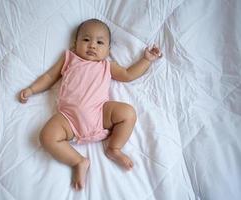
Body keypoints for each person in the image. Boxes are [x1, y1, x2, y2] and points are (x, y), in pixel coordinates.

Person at [18, 18, 162, 191]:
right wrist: (32, 89)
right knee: (46, 137)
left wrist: (146, 60)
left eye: (100, 42)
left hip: (100, 114)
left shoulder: (106, 65)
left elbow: (128, 74)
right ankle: (78, 161)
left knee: (128, 113)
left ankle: (114, 148)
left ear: (108, 50)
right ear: (75, 43)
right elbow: (49, 77)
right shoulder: (68, 59)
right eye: (86, 40)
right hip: (68, 119)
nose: (92, 45)